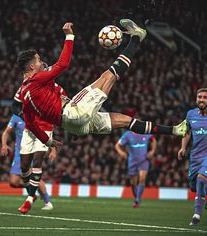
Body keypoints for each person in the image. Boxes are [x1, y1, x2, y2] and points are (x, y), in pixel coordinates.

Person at [16, 19, 187, 151]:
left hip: (73, 125)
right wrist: (69, 36)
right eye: (38, 60)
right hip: (74, 112)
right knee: (109, 75)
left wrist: (48, 141)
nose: (41, 61)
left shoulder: (24, 93)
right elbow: (63, 64)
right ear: (31, 66)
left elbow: (30, 124)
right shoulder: (36, 79)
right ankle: (137, 37)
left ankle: (175, 130)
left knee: (126, 121)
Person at [14, 82, 67, 214]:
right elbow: (14, 105)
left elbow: (65, 107)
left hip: (45, 129)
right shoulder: (29, 85)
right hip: (29, 129)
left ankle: (29, 199)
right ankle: (32, 193)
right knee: (24, 167)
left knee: (37, 162)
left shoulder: (58, 88)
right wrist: (24, 116)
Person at [1, 113, 54, 210]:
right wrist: (4, 144)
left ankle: (47, 201)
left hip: (33, 150)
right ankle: (32, 193)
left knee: (33, 174)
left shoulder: (38, 115)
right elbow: (6, 132)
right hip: (19, 152)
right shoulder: (16, 117)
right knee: (13, 182)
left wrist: (53, 150)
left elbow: (47, 133)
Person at [178, 87, 207, 226]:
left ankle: (196, 216)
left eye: (205, 97)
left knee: (202, 178)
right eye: (199, 97)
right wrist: (183, 147)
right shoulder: (190, 114)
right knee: (194, 187)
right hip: (195, 156)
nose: (201, 99)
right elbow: (187, 132)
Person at [115, 121, 157, 208]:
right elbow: (117, 145)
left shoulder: (146, 133)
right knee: (133, 182)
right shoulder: (127, 135)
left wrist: (152, 151)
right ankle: (136, 198)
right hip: (132, 161)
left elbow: (154, 140)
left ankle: (137, 199)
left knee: (142, 179)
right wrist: (121, 153)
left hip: (144, 160)